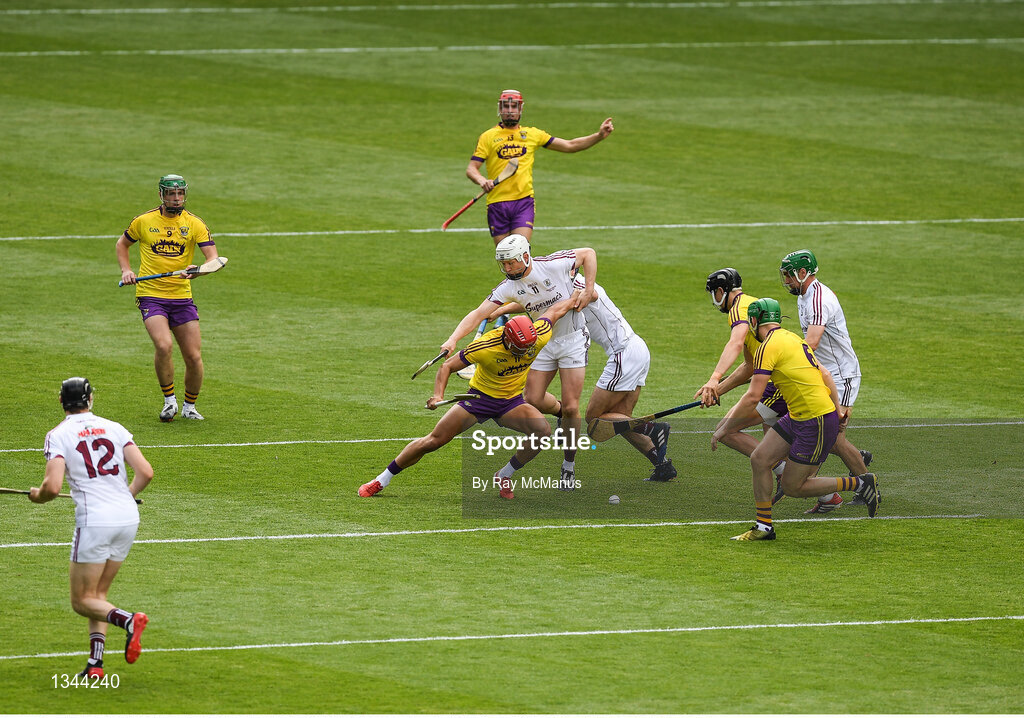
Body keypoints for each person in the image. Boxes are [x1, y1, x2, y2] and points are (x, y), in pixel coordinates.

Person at [360, 291, 582, 499]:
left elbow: (554, 311)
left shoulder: (537, 336)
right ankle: (381, 480)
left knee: (541, 431)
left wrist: (576, 296)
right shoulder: (485, 346)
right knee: (433, 441)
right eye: (520, 349)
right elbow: (447, 367)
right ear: (507, 339)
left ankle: (504, 474)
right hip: (478, 400)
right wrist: (438, 395)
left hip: (510, 402)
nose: (525, 353)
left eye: (528, 348)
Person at [711, 300, 879, 541]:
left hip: (814, 420)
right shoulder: (792, 338)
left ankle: (860, 484)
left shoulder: (766, 348)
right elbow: (826, 375)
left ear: (755, 321)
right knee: (760, 459)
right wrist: (838, 410)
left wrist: (723, 429)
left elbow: (752, 396)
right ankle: (764, 527)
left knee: (793, 486)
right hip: (801, 416)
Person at [441, 235, 596, 489]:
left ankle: (568, 465)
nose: (508, 269)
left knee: (571, 407)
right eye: (504, 265)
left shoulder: (554, 264)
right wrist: (453, 339)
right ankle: (557, 414)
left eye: (512, 263)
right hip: (538, 342)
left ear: (525, 256)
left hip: (572, 340)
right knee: (533, 399)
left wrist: (588, 289)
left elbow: (589, 252)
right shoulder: (507, 287)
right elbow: (478, 313)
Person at [490, 276, 674, 482]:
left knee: (594, 418)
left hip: (624, 354)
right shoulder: (564, 288)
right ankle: (661, 464)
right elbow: (539, 302)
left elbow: (580, 297)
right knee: (620, 420)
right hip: (637, 350)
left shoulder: (583, 287)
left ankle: (655, 429)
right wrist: (501, 310)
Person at [29, 378, 154, 678]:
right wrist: (126, 495)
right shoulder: (115, 427)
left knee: (81, 601)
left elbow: (53, 486)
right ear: (90, 400)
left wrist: (39, 496)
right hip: (127, 517)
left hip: (96, 520)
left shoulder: (57, 435)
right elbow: (146, 472)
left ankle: (127, 620)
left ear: (61, 401)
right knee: (98, 595)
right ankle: (95, 665)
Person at [116, 174, 219, 422]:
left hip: (181, 297)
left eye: (180, 194)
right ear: (161, 195)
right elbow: (122, 245)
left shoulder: (194, 224)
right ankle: (169, 401)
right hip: (151, 295)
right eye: (171, 194)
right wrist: (127, 270)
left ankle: (189, 406)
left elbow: (214, 259)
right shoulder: (143, 221)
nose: (176, 199)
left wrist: (198, 270)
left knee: (193, 357)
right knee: (164, 345)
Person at [780, 249, 872, 513]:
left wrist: (784, 358)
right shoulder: (804, 295)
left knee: (833, 438)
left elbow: (812, 341)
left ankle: (867, 485)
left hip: (841, 375)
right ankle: (856, 462)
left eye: (788, 276)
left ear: (802, 273)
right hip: (823, 373)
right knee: (824, 434)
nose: (786, 281)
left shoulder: (819, 299)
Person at [467, 89, 614, 244]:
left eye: (514, 107)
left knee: (520, 252)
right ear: (499, 109)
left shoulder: (532, 134)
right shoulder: (488, 137)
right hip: (497, 204)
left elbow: (570, 145)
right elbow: (471, 169)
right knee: (506, 259)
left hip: (523, 202)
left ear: (521, 109)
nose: (510, 111)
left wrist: (598, 136)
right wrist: (482, 180)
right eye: (505, 106)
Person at [694, 268, 789, 489]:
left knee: (726, 432)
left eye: (714, 294)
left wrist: (714, 378)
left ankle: (787, 474)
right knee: (780, 442)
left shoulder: (737, 311)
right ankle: (829, 491)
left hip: (778, 385)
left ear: (721, 291)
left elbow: (735, 343)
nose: (714, 300)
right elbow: (750, 366)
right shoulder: (750, 304)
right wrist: (717, 389)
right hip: (779, 382)